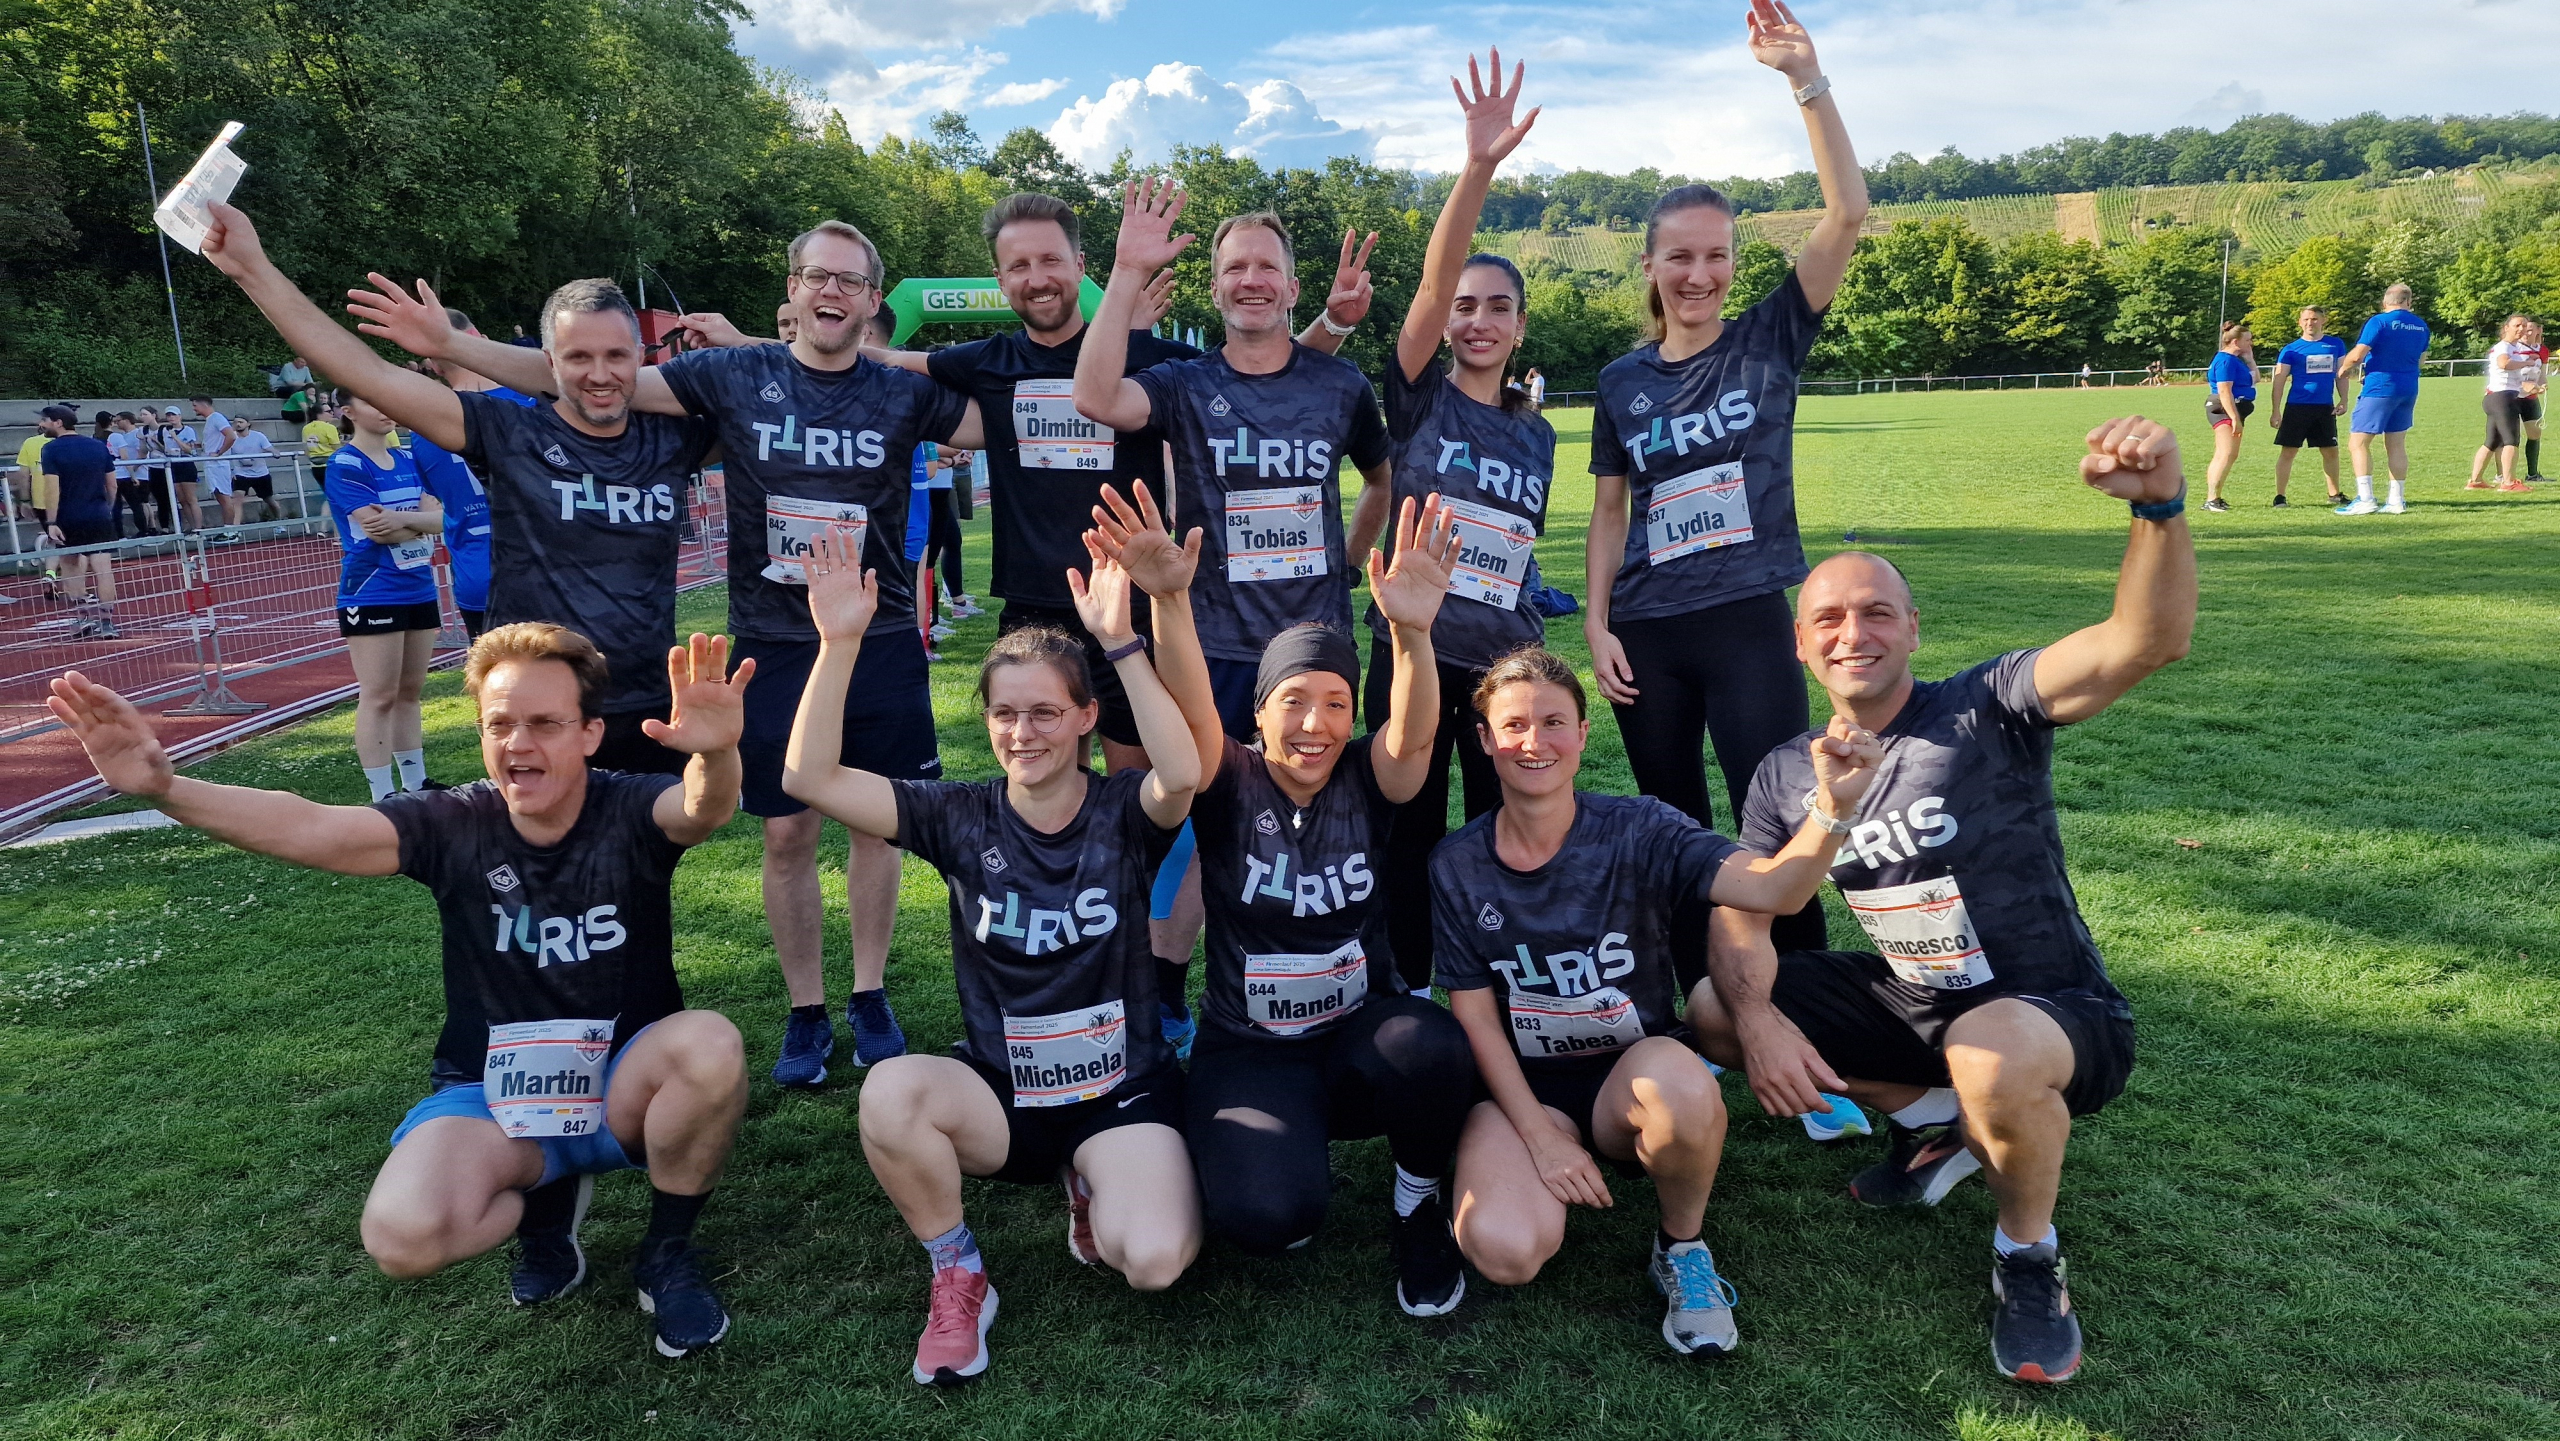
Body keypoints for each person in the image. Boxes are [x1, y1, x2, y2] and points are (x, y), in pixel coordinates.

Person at [363, 220, 988, 1087]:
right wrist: (454, 345)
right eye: (817, 276)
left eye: (850, 281)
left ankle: (870, 992)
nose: (832, 291)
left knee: (877, 824)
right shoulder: (732, 375)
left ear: (874, 298)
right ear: (793, 286)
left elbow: (997, 418)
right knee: (787, 830)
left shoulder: (896, 390)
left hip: (877, 635)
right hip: (774, 638)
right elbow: (588, 373)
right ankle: (806, 1007)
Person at [46, 625, 755, 1359]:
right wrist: (166, 788)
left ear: (589, 733)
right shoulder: (454, 821)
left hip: (624, 1086)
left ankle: (667, 1253)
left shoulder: (628, 806)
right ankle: (545, 1206)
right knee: (403, 1236)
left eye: (545, 723)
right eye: (500, 724)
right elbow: (311, 825)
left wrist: (714, 752)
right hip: (497, 1098)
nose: (519, 743)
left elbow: (699, 810)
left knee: (708, 1043)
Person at [1693, 415, 2195, 1384]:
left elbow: (2147, 638)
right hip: (1919, 1003)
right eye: (1829, 619)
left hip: (2052, 1012)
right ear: (1800, 645)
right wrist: (1755, 1024)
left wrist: (2160, 510)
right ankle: (1934, 1115)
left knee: (1987, 1049)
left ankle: (2027, 1255)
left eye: (1877, 612)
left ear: (1914, 629)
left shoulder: (1986, 705)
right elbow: (1740, 915)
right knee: (1718, 1005)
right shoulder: (1785, 773)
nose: (1854, 632)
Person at [780, 525, 1202, 1385]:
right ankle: (958, 1267)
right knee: (891, 1090)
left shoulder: (1124, 810)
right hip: (1005, 1097)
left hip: (1122, 1091)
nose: (1023, 731)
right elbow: (810, 778)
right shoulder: (959, 815)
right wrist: (838, 645)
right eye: (1005, 713)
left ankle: (1092, 1184)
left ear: (1085, 718)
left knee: (1155, 1259)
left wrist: (1122, 643)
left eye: (1045, 711)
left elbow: (1185, 770)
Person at [1091, 479, 1479, 1317]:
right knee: (1266, 1215)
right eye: (1293, 702)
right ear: (1260, 715)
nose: (1315, 724)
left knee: (1434, 1042)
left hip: (1361, 1037)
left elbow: (1413, 735)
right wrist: (1170, 602)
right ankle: (1265, 1147)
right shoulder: (1227, 778)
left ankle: (1417, 1199)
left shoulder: (1368, 778)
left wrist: (1413, 632)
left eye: (1336, 703)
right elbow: (1194, 710)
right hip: (1252, 1048)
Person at [1434, 647, 1880, 1355]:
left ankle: (1681, 1247)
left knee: (1681, 1084)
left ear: (1584, 733)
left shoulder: (1641, 827)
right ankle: (1506, 1163)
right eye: (1513, 724)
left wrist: (1832, 809)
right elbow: (1476, 1017)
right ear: (1485, 739)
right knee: (1505, 1252)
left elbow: (1776, 889)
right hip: (1526, 1089)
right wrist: (1541, 1137)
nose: (1533, 741)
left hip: (1630, 1073)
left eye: (1554, 721)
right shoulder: (1457, 862)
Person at [206, 199, 719, 780]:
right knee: (535, 841)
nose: (599, 374)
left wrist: (742, 340)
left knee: (656, 840)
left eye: (616, 356)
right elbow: (369, 375)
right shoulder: (508, 431)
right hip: (532, 712)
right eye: (578, 356)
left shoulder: (673, 439)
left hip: (647, 704)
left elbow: (790, 389)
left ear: (641, 358)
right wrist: (253, 269)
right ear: (548, 362)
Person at [1070, 181, 1396, 1036]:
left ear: (1292, 287)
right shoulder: (1184, 383)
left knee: (1311, 819)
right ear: (1215, 288)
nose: (1251, 280)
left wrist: (1348, 561)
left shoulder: (1339, 384)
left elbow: (1381, 477)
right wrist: (1126, 268)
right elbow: (1096, 398)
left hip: (1311, 647)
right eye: (1234, 268)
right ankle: (1162, 982)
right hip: (1207, 643)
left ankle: (1326, 974)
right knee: (1191, 814)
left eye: (1266, 267)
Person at [1583, 0, 1866, 973]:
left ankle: (1805, 997)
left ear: (1732, 262)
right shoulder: (1620, 381)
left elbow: (1846, 213)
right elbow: (1610, 511)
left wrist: (1805, 82)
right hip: (1647, 632)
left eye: (1715, 255)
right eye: (1680, 256)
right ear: (1652, 266)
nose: (1698, 273)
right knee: (1673, 829)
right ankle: (1695, 1001)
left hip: (1746, 621)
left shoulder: (1767, 341)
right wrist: (1595, 624)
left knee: (1780, 819)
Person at [1359, 52, 1555, 994]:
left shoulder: (1538, 433)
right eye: (1466, 306)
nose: (1477, 320)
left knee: (1503, 829)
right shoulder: (1419, 397)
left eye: (1498, 308)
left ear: (1519, 326)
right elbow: (1432, 289)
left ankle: (1500, 982)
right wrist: (1478, 167)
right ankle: (1404, 986)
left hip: (1502, 664)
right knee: (1406, 826)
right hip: (1412, 652)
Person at [326, 393, 447, 799]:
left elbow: (443, 519)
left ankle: (416, 784)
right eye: (371, 402)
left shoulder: (410, 459)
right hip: (373, 589)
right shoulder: (347, 463)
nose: (386, 409)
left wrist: (404, 520)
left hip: (419, 586)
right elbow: (378, 530)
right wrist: (421, 520)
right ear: (348, 412)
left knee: (410, 692)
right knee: (379, 695)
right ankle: (382, 794)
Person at [409, 306, 543, 642]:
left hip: (479, 579)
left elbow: (441, 500)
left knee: (496, 675)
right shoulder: (538, 401)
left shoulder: (424, 429)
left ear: (434, 365)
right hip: (550, 571)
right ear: (481, 341)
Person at [2335, 283, 2430, 515]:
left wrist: (2344, 368)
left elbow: (2358, 354)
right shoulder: (2421, 325)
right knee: (2396, 444)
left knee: (2358, 442)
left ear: (2385, 302)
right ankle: (2396, 501)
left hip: (2380, 387)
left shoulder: (2379, 321)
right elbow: (2421, 361)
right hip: (2408, 387)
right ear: (2408, 302)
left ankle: (2366, 498)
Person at [39, 405, 122, 637]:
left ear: (58, 423)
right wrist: (106, 508)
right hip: (97, 514)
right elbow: (112, 484)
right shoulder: (97, 446)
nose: (41, 425)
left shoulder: (51, 449)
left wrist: (51, 522)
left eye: (45, 421)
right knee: (103, 570)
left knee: (71, 569)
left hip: (68, 516)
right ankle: (107, 622)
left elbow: (52, 489)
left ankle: (82, 618)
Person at [2267, 306, 2349, 507]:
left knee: (2330, 451)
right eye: (2306, 319)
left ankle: (2334, 494)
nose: (2310, 323)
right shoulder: (2291, 350)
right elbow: (2279, 381)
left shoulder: (2335, 345)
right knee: (2289, 451)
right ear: (2300, 322)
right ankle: (2280, 496)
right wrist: (2275, 410)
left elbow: (2341, 375)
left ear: (2323, 320)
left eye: (2314, 319)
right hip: (2297, 407)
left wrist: (2344, 399)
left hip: (2324, 407)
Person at [2469, 314, 2536, 493]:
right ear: (2506, 328)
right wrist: (2526, 362)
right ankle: (2508, 482)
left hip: (2496, 397)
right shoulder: (2504, 347)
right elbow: (2504, 364)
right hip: (2502, 399)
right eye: (2517, 325)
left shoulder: (2513, 348)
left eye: (2524, 326)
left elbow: (2510, 377)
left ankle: (2475, 481)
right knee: (2511, 440)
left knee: (2491, 442)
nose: (2521, 329)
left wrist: (2531, 387)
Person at [2199, 321, 2257, 511]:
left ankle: (2215, 497)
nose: (2251, 343)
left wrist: (2250, 359)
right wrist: (2234, 418)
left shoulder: (2236, 360)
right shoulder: (2225, 360)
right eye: (2247, 340)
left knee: (2230, 454)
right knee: (2224, 454)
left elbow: (2255, 378)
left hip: (2234, 408)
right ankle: (2211, 499)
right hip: (2223, 409)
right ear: (2235, 342)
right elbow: (2224, 391)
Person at [193, 396, 243, 541]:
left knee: (224, 497)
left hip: (218, 464)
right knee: (221, 497)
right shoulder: (212, 420)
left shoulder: (216, 418)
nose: (194, 409)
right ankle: (228, 529)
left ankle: (230, 531)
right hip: (212, 463)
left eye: (195, 405)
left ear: (204, 405)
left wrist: (220, 453)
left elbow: (231, 436)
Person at [105, 411, 159, 537]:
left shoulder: (137, 434)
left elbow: (142, 453)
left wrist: (132, 469)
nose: (116, 424)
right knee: (141, 503)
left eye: (118, 421)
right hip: (129, 472)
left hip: (140, 472)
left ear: (127, 420)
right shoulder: (123, 435)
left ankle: (149, 529)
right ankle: (149, 528)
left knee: (142, 503)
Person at [228, 419, 279, 523]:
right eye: (236, 422)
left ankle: (279, 521)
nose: (238, 424)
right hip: (241, 474)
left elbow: (269, 448)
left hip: (260, 473)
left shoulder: (258, 436)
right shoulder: (231, 437)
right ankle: (235, 528)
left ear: (248, 424)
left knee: (269, 500)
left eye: (241, 422)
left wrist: (275, 452)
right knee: (237, 499)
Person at [162, 406, 202, 534]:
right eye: (168, 415)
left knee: (191, 499)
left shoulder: (188, 430)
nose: (171, 418)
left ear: (179, 416)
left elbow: (189, 449)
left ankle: (198, 528)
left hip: (186, 464)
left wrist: (175, 438)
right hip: (173, 465)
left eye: (173, 415)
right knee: (182, 500)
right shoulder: (165, 431)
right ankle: (191, 526)